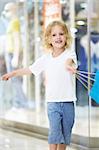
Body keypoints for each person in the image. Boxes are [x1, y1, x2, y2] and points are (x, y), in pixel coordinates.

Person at [1, 20, 77, 150]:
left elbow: (68, 62)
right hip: (52, 102)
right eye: (54, 35)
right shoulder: (46, 58)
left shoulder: (69, 53)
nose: (58, 37)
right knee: (54, 133)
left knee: (65, 134)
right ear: (48, 39)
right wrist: (13, 73)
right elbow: (30, 69)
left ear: (66, 37)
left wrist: (68, 66)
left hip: (68, 102)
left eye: (61, 34)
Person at [3, 2, 28, 108]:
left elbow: (17, 39)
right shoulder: (11, 23)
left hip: (13, 53)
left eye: (7, 10)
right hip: (10, 53)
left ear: (13, 10)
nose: (5, 13)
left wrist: (16, 56)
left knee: (15, 78)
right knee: (14, 79)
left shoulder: (15, 22)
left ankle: (21, 102)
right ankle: (19, 102)